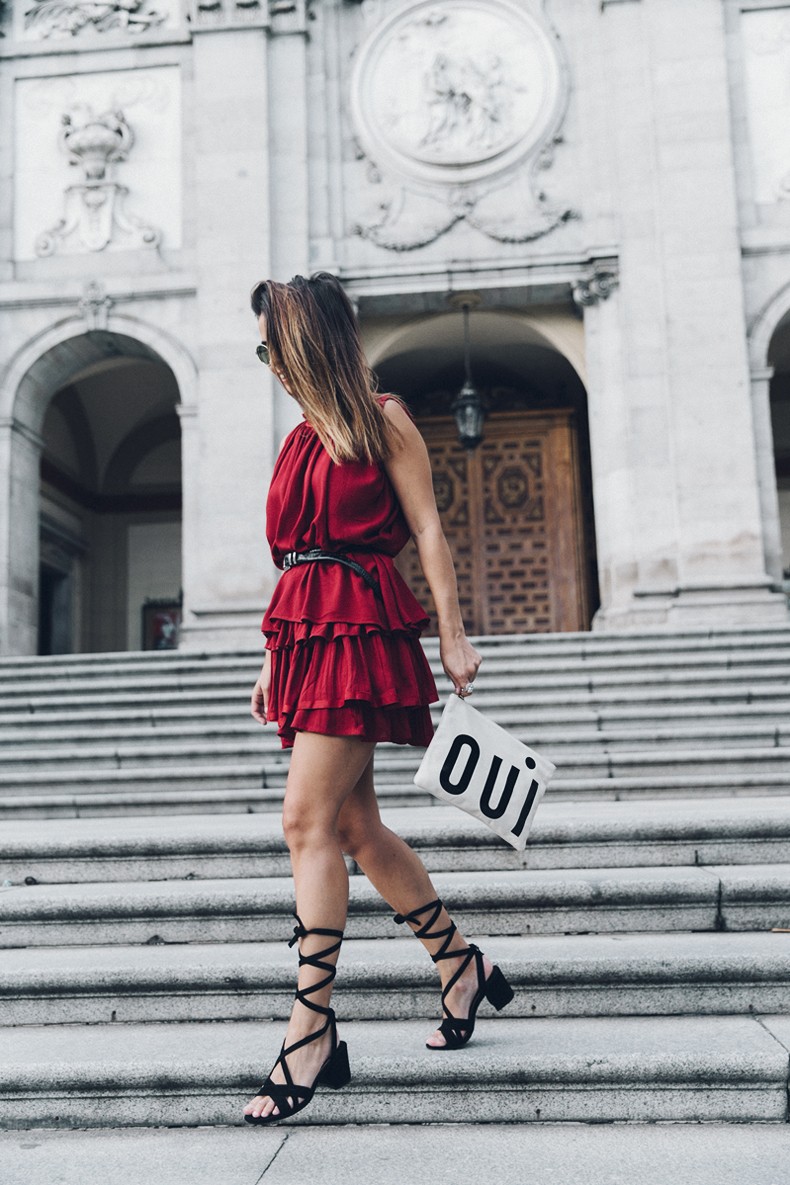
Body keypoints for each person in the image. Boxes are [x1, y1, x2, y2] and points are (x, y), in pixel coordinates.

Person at [243, 272, 514, 1125]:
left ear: (309, 341)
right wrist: (269, 657)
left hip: (363, 627)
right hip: (307, 634)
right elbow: (294, 558)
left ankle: (310, 1028)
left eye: (272, 347)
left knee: (305, 822)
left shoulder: (382, 417)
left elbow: (428, 526)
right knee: (353, 825)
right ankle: (460, 963)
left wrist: (454, 631)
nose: (269, 364)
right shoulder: (296, 439)